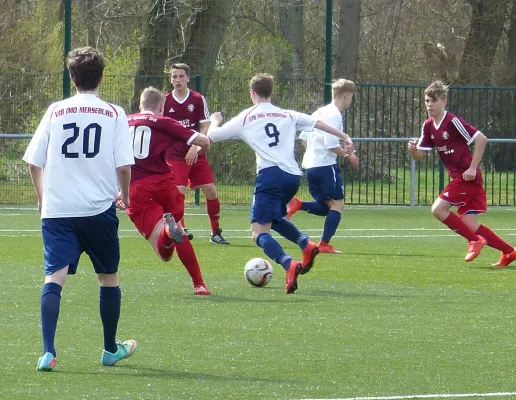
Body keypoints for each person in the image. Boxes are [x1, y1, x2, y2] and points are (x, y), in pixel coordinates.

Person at [22, 47, 137, 372]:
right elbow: (125, 166)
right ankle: (110, 349)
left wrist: (44, 198)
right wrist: (124, 197)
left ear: (72, 78)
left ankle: (47, 352)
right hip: (98, 209)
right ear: (101, 77)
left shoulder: (56, 110)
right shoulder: (114, 113)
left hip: (58, 211)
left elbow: (34, 161)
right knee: (108, 277)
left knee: (54, 276)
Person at [208, 73, 356, 294]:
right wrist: (344, 136)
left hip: (269, 175)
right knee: (275, 218)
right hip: (292, 177)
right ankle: (306, 244)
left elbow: (213, 136)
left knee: (258, 233)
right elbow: (317, 123)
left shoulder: (247, 117)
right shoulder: (287, 114)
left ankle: (289, 263)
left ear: (252, 93)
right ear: (271, 92)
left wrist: (214, 121)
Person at [408, 80, 516, 266]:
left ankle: (474, 241)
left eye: (433, 100)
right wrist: (412, 151)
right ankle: (510, 252)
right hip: (462, 178)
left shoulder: (452, 121)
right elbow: (421, 157)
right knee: (471, 226)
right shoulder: (428, 126)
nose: (429, 104)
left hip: (467, 178)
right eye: (427, 101)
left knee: (438, 209)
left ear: (444, 101)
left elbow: (481, 139)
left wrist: (473, 167)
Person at [126, 87, 212, 295]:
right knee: (179, 230)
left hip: (136, 188)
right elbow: (204, 141)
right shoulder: (164, 122)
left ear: (140, 105)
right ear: (161, 107)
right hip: (164, 183)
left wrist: (115, 192)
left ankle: (166, 232)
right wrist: (197, 148)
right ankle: (199, 284)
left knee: (164, 254)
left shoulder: (122, 121)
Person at [286, 79, 360, 253]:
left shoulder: (319, 112)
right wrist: (349, 156)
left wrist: (314, 154)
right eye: (351, 97)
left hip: (311, 166)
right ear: (346, 95)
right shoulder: (334, 114)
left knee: (327, 206)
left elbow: (303, 138)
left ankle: (298, 204)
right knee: (338, 205)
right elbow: (330, 144)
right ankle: (324, 244)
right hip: (325, 166)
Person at [164, 63, 229, 245]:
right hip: (175, 154)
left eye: (181, 76)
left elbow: (205, 125)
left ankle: (215, 232)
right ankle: (180, 229)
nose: (177, 80)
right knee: (179, 192)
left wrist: (195, 145)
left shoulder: (197, 99)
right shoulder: (166, 101)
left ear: (188, 78)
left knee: (210, 190)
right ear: (171, 79)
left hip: (196, 152)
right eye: (174, 76)